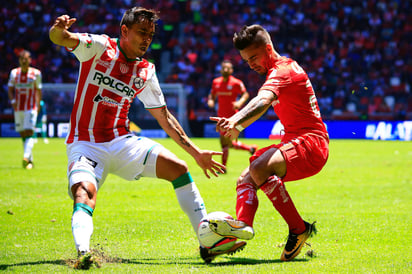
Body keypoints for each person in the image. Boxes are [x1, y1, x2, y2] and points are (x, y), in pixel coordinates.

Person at [48, 7, 245, 266]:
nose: (146, 40)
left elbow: (164, 117)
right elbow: (61, 38)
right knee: (84, 194)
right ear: (125, 31)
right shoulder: (98, 47)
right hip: (86, 144)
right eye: (141, 33)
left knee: (179, 168)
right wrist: (58, 29)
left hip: (122, 142)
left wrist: (197, 153)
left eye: (150, 35)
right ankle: (83, 253)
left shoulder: (145, 71)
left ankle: (206, 242)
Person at [209, 24, 329, 261]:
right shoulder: (278, 70)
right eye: (246, 60)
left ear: (268, 48)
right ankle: (241, 229)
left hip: (312, 143)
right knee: (245, 178)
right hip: (296, 140)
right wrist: (238, 124)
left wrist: (234, 121)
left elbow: (262, 102)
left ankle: (298, 229)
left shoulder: (282, 71)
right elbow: (261, 105)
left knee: (258, 167)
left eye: (253, 57)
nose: (251, 64)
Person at [207, 60, 258, 169]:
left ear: (231, 70)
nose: (225, 70)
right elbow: (212, 94)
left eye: (228, 68)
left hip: (233, 118)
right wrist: (211, 100)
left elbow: (245, 94)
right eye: (224, 68)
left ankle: (223, 167)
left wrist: (239, 102)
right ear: (220, 70)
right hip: (221, 117)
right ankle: (250, 149)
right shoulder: (216, 82)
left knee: (224, 142)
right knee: (227, 143)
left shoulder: (236, 83)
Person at [8, 50, 42, 169]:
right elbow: (10, 89)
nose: (24, 60)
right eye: (22, 58)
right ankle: (30, 161)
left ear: (30, 60)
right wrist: (12, 101)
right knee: (23, 133)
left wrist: (38, 105)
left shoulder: (36, 73)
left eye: (26, 58)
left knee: (29, 131)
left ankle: (26, 156)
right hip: (18, 108)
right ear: (19, 60)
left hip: (31, 107)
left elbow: (38, 90)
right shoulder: (14, 73)